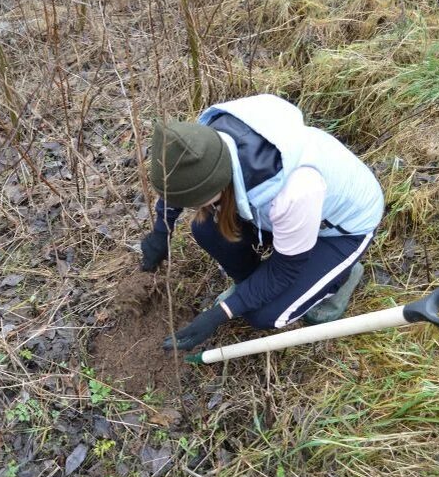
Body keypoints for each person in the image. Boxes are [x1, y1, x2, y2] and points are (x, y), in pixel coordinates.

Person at [140, 94, 384, 351]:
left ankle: (342, 276)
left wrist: (221, 313)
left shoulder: (295, 191)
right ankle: (252, 286)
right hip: (281, 215)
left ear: (216, 182)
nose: (192, 204)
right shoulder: (204, 144)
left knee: (263, 315)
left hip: (338, 230)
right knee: (207, 230)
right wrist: (161, 230)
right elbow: (180, 181)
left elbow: (285, 270)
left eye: (196, 199)